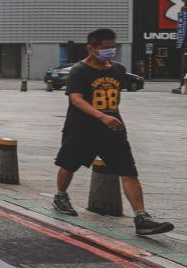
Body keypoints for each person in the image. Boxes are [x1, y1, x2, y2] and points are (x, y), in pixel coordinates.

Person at [51, 28, 172, 236]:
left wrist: (110, 117)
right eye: (105, 48)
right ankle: (60, 196)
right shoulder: (79, 71)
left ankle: (141, 217)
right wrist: (102, 116)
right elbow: (76, 99)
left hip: (113, 130)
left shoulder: (118, 69)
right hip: (82, 129)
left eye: (113, 47)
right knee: (68, 164)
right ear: (91, 48)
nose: (110, 51)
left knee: (128, 170)